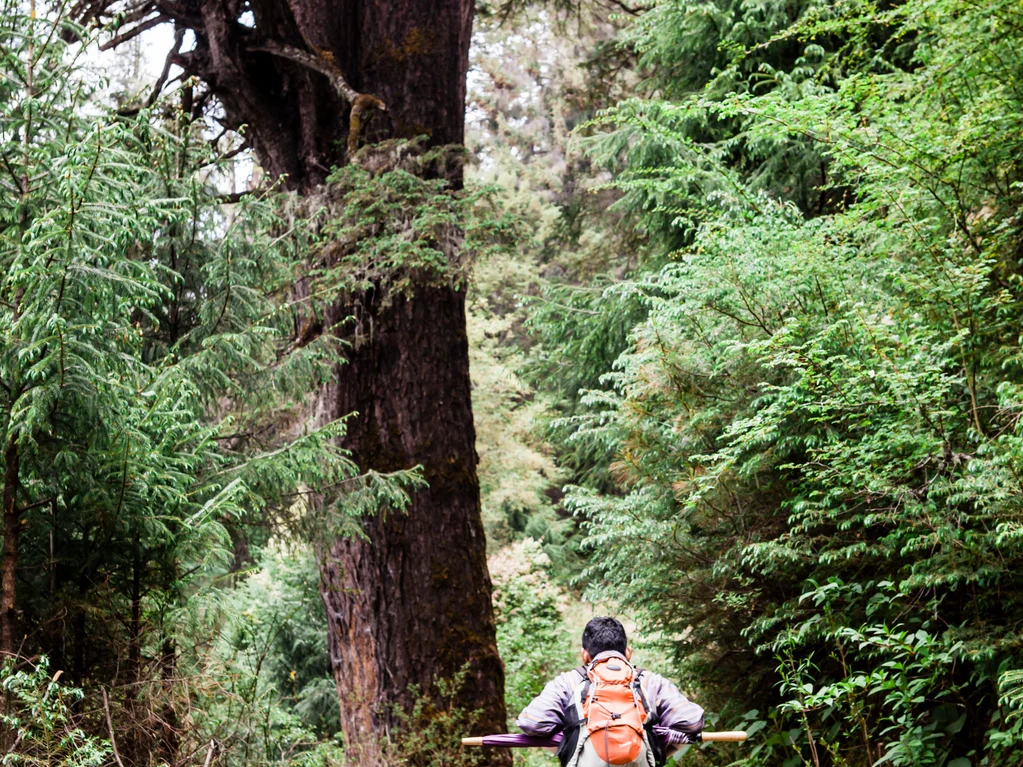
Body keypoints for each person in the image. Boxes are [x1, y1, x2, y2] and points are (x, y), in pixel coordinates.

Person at [516, 617, 704, 767]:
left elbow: (532, 723)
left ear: (584, 654)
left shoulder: (568, 682)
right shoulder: (650, 682)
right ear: (628, 653)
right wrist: (657, 749)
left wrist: (572, 740)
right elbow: (691, 722)